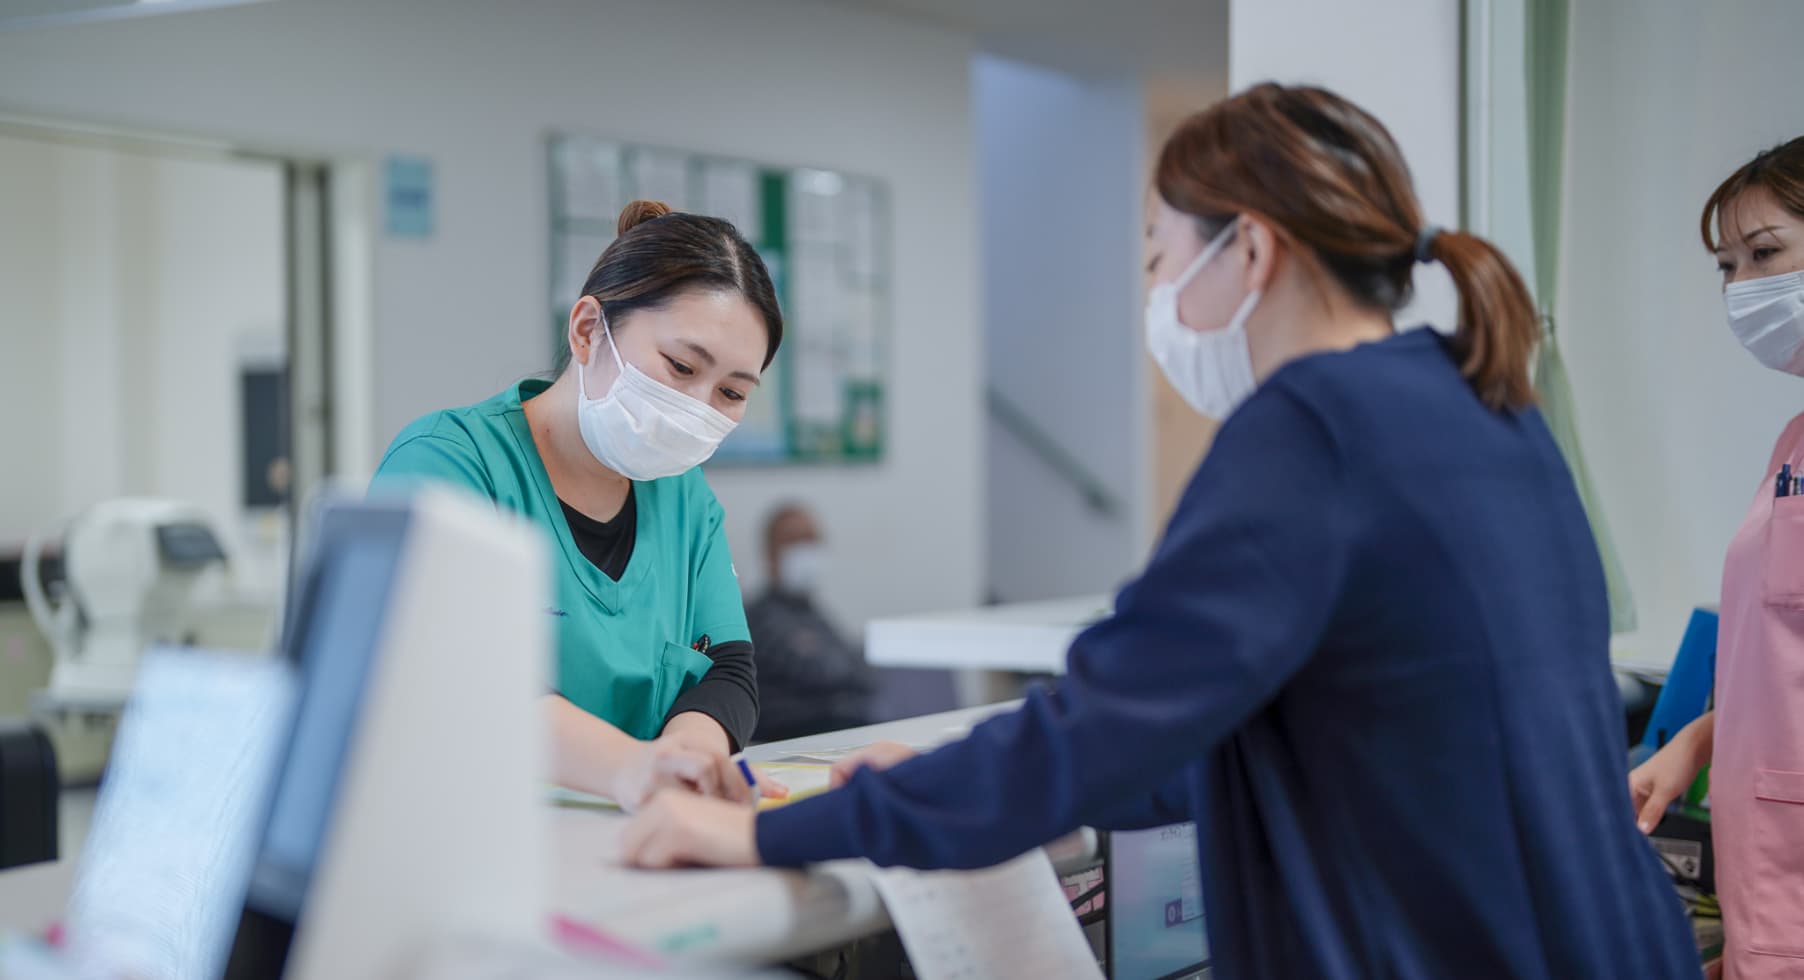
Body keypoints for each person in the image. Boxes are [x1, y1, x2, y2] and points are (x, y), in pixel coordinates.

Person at [616, 84, 1702, 978]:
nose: (1153, 292)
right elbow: (1274, 725)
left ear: (1252, 251)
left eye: (1155, 255)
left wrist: (757, 831)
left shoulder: (1310, 425)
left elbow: (1100, 723)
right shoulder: (1488, 404)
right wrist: (927, 780)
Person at [370, 200, 782, 810]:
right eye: (681, 366)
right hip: (457, 828)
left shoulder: (685, 497)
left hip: (631, 826)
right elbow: (459, 678)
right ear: (589, 330)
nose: (698, 406)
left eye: (729, 392)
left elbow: (727, 670)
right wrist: (636, 770)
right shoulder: (448, 463)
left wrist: (687, 762)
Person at [1631, 135, 1804, 979]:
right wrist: (1698, 740)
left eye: (1765, 254)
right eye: (1728, 267)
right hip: (1765, 884)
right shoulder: (1795, 442)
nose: (1743, 289)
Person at [743, 503, 873, 742]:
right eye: (794, 540)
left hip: (836, 735)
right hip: (791, 740)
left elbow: (862, 672)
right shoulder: (760, 617)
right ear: (770, 554)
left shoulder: (811, 611)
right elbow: (825, 672)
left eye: (812, 540)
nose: (805, 549)